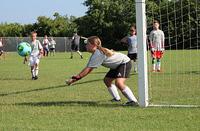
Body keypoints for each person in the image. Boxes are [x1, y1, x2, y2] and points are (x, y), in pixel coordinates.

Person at [66, 36, 139, 106]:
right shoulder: (96, 53)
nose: (86, 46)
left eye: (87, 44)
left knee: (119, 83)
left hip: (124, 62)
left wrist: (77, 77)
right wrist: (75, 79)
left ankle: (133, 101)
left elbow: (88, 70)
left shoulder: (98, 54)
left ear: (94, 45)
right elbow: (88, 68)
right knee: (107, 80)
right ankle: (117, 98)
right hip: (117, 66)